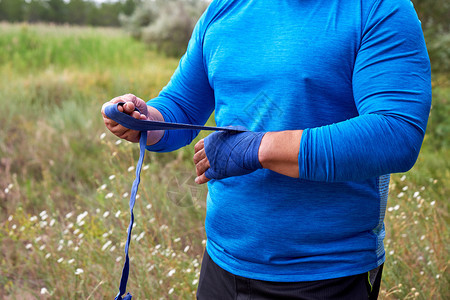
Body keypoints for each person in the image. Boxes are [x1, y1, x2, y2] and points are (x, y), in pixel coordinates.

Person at [101, 0, 431, 299]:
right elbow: (180, 109)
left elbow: (395, 132)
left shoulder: (377, 9)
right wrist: (143, 119)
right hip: (222, 264)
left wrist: (258, 149)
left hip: (326, 274)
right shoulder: (225, 9)